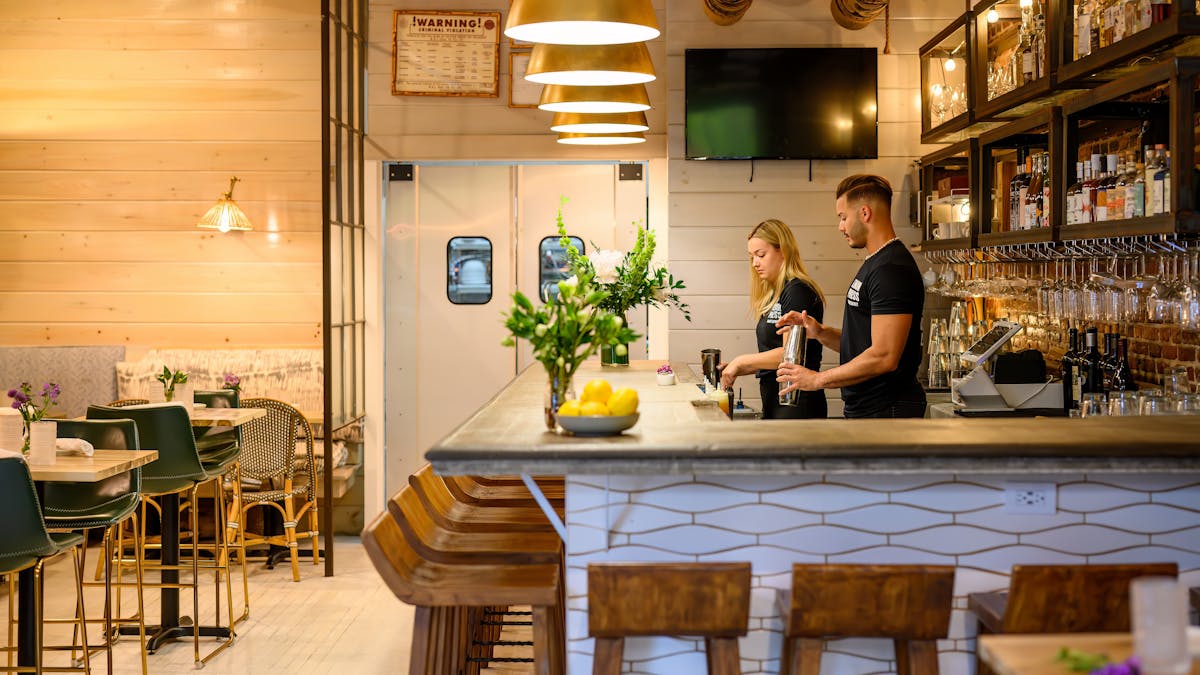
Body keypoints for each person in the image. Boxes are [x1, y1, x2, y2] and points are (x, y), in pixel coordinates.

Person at [776, 174, 927, 418]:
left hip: (888, 410)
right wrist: (821, 333)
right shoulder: (877, 263)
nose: (841, 226)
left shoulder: (891, 269)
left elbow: (884, 356)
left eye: (843, 217)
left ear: (865, 213)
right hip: (868, 408)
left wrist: (818, 379)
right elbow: (866, 345)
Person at [719, 219, 827, 419]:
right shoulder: (775, 294)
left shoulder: (798, 291)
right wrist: (736, 368)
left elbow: (789, 354)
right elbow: (769, 356)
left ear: (783, 251)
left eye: (761, 255)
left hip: (796, 402)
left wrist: (741, 361)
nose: (755, 263)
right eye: (751, 257)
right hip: (774, 400)